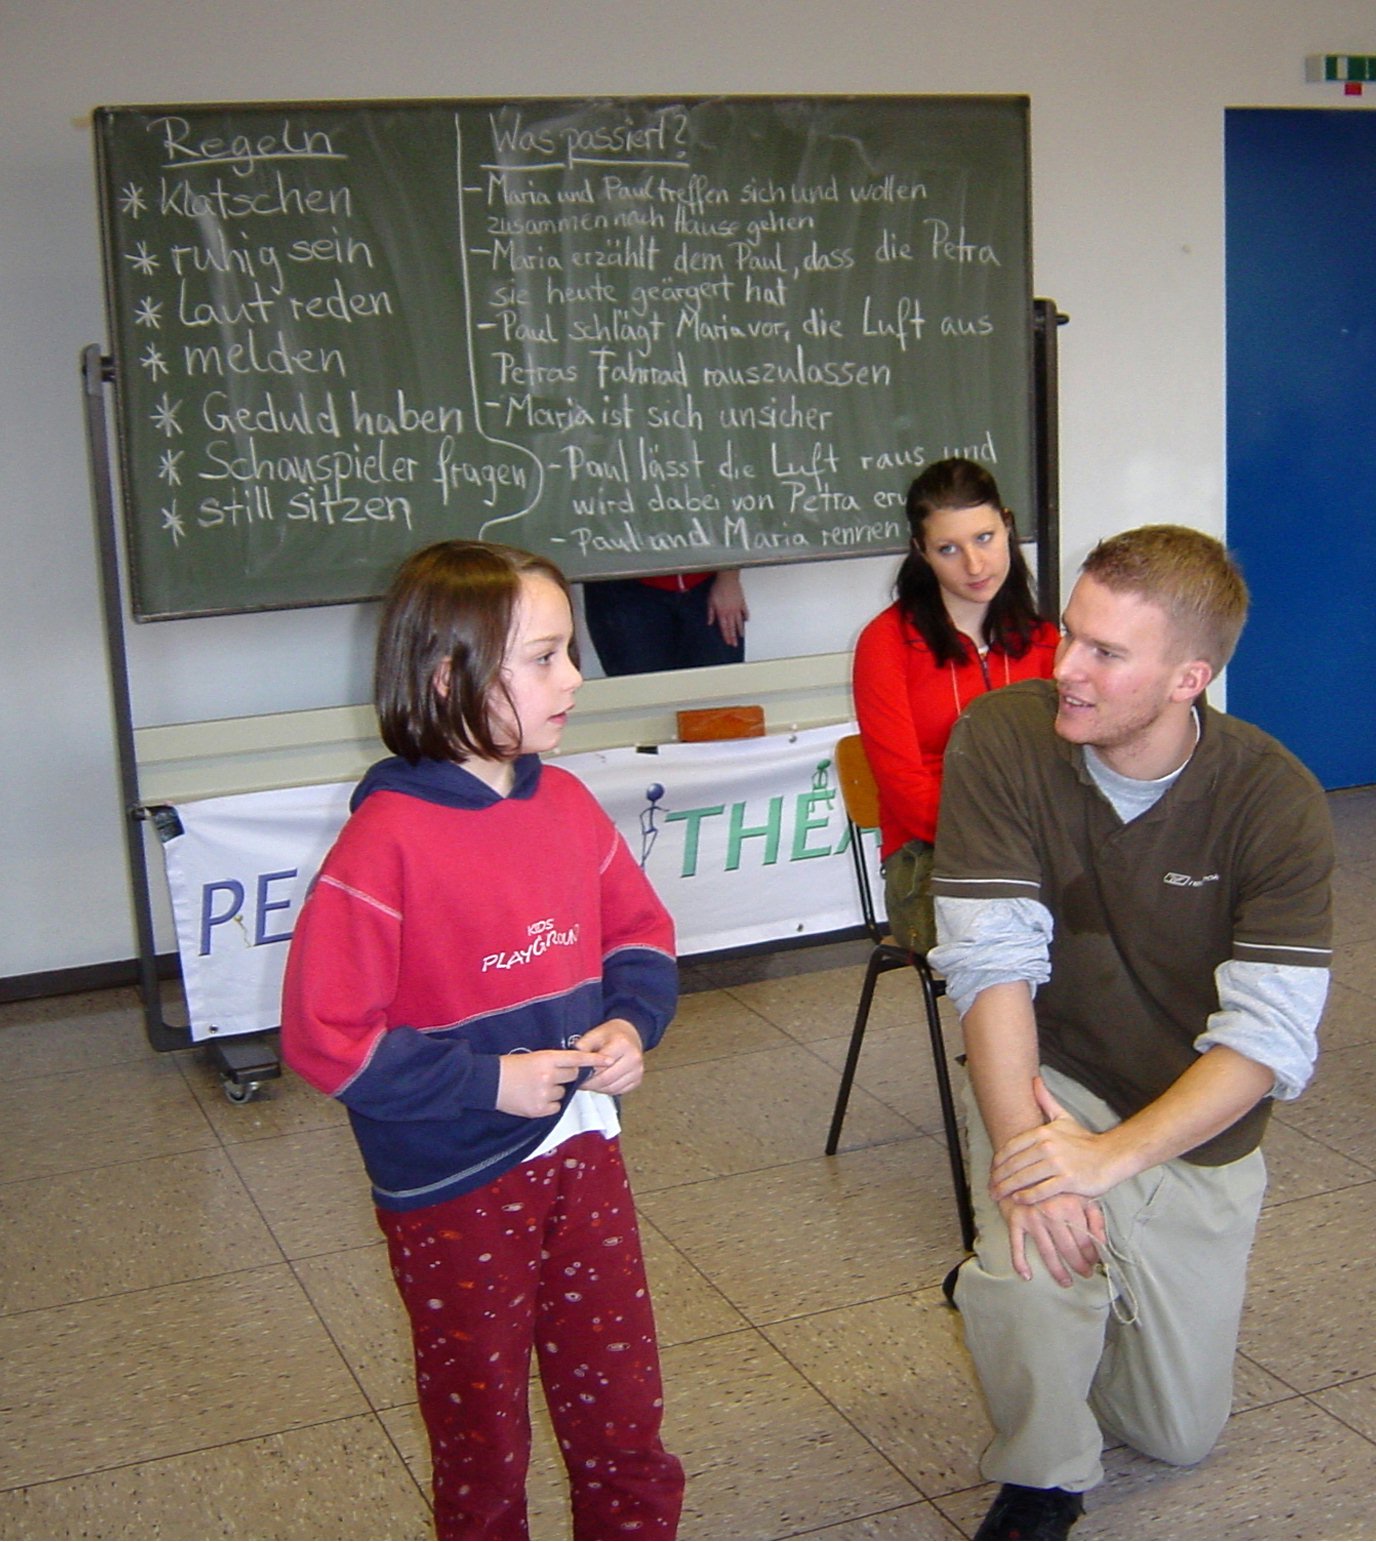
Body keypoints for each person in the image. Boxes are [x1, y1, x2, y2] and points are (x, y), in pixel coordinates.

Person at [929, 525, 1333, 1540]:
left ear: (1186, 677)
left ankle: (1043, 1300)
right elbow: (990, 969)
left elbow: (1266, 1041)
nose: (1063, 667)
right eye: (1069, 634)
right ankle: (1039, 1469)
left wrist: (1105, 1162)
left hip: (1190, 1117)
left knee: (1174, 1433)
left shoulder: (1271, 798)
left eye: (1104, 653)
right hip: (1051, 1073)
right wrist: (1034, 1155)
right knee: (1028, 1249)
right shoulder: (1000, 737)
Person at [280, 540, 685, 1542]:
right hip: (454, 1190)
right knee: (481, 1438)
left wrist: (633, 1025)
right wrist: (483, 1082)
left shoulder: (565, 804)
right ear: (448, 676)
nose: (574, 679)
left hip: (584, 1156)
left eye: (569, 652)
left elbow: (639, 934)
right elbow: (326, 1037)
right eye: (544, 657)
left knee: (623, 1412)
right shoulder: (385, 843)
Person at [851, 458, 1058, 952]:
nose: (974, 565)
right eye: (949, 549)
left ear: (1007, 526)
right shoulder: (886, 644)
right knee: (1016, 939)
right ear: (921, 552)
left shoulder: (1045, 639)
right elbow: (905, 790)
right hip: (930, 859)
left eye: (984, 537)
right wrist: (1007, 846)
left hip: (1037, 848)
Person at [582, 568, 748, 674]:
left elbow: (733, 514)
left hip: (706, 577)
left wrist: (729, 577)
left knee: (718, 693)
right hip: (618, 578)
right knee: (640, 696)